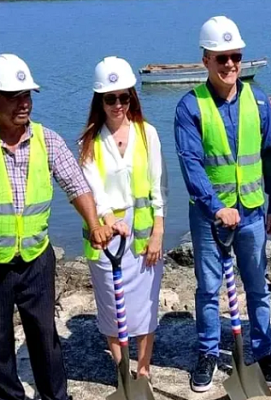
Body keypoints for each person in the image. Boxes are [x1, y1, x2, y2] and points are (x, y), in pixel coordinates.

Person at [0, 54, 112, 400]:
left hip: (36, 259)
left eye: (27, 95)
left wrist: (94, 224)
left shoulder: (48, 140)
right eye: (13, 96)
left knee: (45, 337)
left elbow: (76, 185)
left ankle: (55, 397)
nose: (24, 103)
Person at [174, 15, 271, 392]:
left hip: (253, 212)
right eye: (221, 57)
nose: (230, 64)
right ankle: (208, 352)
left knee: (257, 286)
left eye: (235, 56)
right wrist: (216, 207)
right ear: (206, 59)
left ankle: (263, 351)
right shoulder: (190, 107)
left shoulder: (259, 101)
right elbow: (191, 164)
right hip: (210, 217)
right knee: (208, 288)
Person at [79, 56, 167, 380]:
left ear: (132, 97)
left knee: (145, 306)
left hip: (143, 233)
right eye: (110, 98)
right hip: (106, 236)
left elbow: (159, 187)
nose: (118, 105)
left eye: (124, 97)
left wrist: (158, 232)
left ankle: (143, 370)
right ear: (99, 101)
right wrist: (106, 222)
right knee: (113, 309)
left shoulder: (148, 134)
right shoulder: (88, 143)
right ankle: (122, 371)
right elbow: (93, 192)